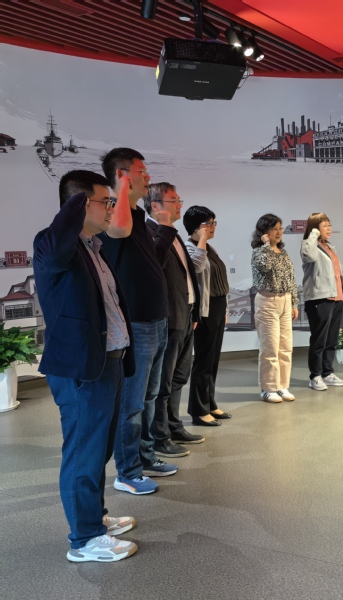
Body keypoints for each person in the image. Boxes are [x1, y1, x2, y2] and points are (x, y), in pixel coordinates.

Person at [33, 170, 137, 562]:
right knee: (83, 452)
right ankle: (84, 539)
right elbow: (58, 245)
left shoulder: (94, 248)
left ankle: (94, 517)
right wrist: (75, 205)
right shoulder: (51, 244)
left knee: (99, 449)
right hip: (81, 369)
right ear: (79, 204)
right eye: (105, 202)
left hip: (107, 363)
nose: (112, 209)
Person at [99, 148, 178, 495]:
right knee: (132, 404)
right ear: (122, 174)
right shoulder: (115, 217)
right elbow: (117, 230)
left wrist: (164, 228)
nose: (148, 177)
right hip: (138, 324)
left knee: (148, 398)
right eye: (141, 172)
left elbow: (154, 261)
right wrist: (120, 189)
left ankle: (145, 458)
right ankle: (127, 471)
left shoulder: (136, 218)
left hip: (156, 320)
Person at [143, 183, 204, 454]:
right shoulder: (149, 233)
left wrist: (194, 311)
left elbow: (188, 277)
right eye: (174, 200)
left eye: (180, 199)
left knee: (179, 377)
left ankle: (173, 426)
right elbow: (155, 268)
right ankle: (160, 437)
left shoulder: (174, 235)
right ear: (156, 205)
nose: (180, 205)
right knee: (162, 383)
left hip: (185, 314)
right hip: (168, 318)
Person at [184, 206, 232, 425]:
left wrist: (225, 309)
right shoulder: (190, 248)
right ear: (196, 226)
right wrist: (201, 239)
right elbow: (197, 267)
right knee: (203, 360)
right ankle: (199, 410)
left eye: (214, 222)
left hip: (218, 306)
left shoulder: (209, 248)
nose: (213, 227)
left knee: (213, 359)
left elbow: (220, 280)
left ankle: (210, 403)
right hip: (205, 309)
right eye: (208, 223)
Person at [251, 214, 299, 403]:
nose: (279, 232)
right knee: (270, 347)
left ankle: (282, 386)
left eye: (280, 228)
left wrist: (294, 302)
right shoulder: (259, 252)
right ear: (264, 232)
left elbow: (291, 278)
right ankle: (268, 388)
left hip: (285, 300)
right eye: (274, 228)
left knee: (285, 347)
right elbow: (265, 266)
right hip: (267, 301)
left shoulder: (283, 252)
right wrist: (266, 245)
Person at [300, 213, 343, 391]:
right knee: (319, 339)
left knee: (331, 339)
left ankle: (327, 373)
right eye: (324, 226)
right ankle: (315, 376)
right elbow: (309, 256)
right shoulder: (308, 245)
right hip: (319, 298)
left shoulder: (329, 247)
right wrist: (313, 234)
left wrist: (342, 296)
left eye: (329, 225)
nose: (329, 229)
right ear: (315, 228)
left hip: (336, 298)